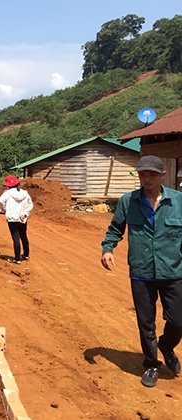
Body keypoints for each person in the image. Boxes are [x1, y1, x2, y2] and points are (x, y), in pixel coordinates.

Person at [101, 155, 182, 388]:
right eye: (142, 174)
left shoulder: (178, 201)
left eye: (152, 174)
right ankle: (151, 364)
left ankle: (166, 345)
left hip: (173, 271)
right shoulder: (128, 201)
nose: (147, 178)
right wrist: (108, 248)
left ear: (162, 175)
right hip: (141, 271)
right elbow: (115, 229)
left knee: (178, 320)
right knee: (146, 322)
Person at [0, 175, 33, 264]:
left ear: (8, 185)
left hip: (12, 218)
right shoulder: (25, 193)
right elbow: (30, 205)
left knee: (15, 238)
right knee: (23, 236)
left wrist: (4, 209)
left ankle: (17, 258)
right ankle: (26, 255)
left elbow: (1, 201)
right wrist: (25, 213)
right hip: (22, 218)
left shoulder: (7, 193)